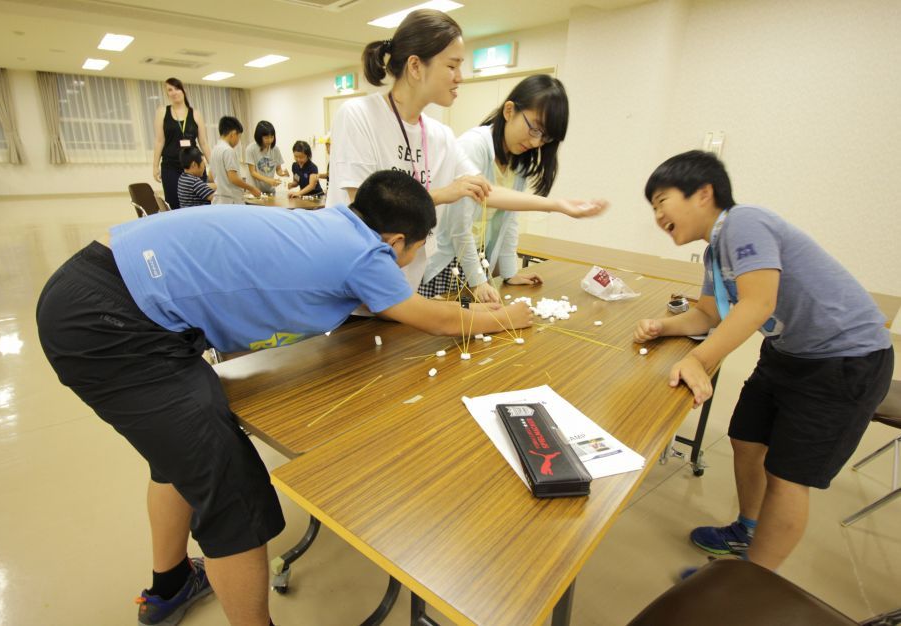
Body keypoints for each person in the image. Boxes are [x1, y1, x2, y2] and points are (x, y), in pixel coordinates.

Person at [35, 170, 532, 626]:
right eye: (415, 251)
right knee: (233, 488)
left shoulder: (335, 222)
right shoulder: (366, 254)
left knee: (182, 457)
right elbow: (441, 320)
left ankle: (170, 586)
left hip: (99, 281)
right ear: (395, 240)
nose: (410, 262)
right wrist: (509, 316)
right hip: (112, 320)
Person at [633, 150, 893, 573]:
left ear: (703, 193)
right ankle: (747, 530)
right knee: (746, 440)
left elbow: (758, 303)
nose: (658, 215)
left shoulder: (743, 222)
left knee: (787, 477)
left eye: (662, 201)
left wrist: (699, 359)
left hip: (845, 358)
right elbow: (709, 313)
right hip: (788, 353)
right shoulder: (716, 250)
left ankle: (750, 584)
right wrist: (663, 327)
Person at [327, 9, 606, 291]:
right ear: (415, 66)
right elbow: (365, 207)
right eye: (452, 66)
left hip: (400, 283)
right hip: (352, 283)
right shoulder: (359, 115)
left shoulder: (439, 135)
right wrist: (444, 194)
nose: (460, 77)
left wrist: (557, 206)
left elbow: (486, 190)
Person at [421, 75, 604, 302]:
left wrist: (509, 273)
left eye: (545, 137)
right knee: (436, 332)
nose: (537, 143)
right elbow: (458, 225)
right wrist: (478, 280)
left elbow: (508, 220)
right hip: (446, 261)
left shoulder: (517, 159)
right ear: (509, 111)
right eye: (535, 129)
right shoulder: (474, 145)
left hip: (474, 260)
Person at [152, 78, 211, 209]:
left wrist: (214, 164)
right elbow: (159, 141)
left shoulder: (195, 114)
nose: (174, 92)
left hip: (194, 166)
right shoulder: (162, 112)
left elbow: (204, 142)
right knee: (174, 204)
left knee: (200, 202)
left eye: (176, 88)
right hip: (170, 166)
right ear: (167, 93)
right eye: (170, 90)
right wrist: (155, 166)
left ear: (183, 90)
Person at [210, 116, 260, 204]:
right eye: (239, 137)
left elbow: (211, 176)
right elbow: (233, 178)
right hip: (231, 200)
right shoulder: (228, 150)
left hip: (219, 200)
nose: (238, 141)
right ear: (233, 134)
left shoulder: (215, 149)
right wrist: (251, 188)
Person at [246, 121, 287, 194]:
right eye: (266, 137)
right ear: (259, 137)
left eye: (272, 137)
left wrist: (283, 173)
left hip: (270, 191)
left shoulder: (275, 149)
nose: (270, 140)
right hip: (254, 191)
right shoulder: (251, 149)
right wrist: (268, 180)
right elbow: (252, 172)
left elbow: (278, 169)